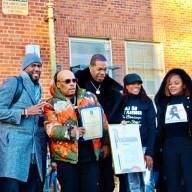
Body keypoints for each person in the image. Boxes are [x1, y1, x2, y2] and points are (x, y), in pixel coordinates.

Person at [43, 70, 110, 192]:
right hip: (66, 160)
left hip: (90, 158)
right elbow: (51, 129)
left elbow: (103, 122)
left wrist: (106, 143)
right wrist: (71, 132)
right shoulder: (51, 104)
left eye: (74, 80)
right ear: (58, 84)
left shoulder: (90, 97)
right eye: (67, 81)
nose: (72, 83)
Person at [75, 54, 123, 192]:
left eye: (105, 69)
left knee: (107, 183)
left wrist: (107, 143)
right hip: (84, 146)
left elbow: (114, 119)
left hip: (104, 145)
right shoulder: (77, 84)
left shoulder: (113, 91)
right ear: (91, 67)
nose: (103, 72)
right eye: (99, 69)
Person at [0, 53, 46, 192]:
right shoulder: (14, 82)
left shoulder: (39, 89)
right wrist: (24, 112)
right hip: (12, 153)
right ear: (25, 67)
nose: (37, 69)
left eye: (39, 66)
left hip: (32, 154)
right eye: (33, 65)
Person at [117, 73, 156, 192]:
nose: (136, 86)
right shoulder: (121, 102)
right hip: (128, 148)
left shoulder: (146, 101)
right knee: (132, 184)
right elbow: (113, 122)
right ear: (126, 86)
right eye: (132, 83)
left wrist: (149, 152)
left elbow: (152, 128)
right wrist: (119, 124)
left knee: (148, 183)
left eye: (138, 83)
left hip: (144, 147)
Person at [154, 68, 192, 192]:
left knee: (189, 181)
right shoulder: (165, 103)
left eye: (176, 83)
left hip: (188, 144)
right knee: (172, 183)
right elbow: (160, 128)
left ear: (184, 85)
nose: (172, 86)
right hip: (169, 146)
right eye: (170, 83)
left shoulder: (189, 102)